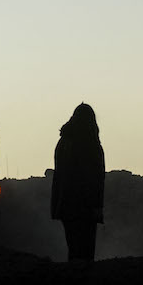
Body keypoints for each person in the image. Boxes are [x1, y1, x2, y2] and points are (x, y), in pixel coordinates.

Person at [50, 103, 105, 262]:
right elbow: (95, 178)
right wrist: (96, 206)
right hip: (85, 207)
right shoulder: (90, 143)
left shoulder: (63, 143)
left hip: (66, 206)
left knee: (74, 249)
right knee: (86, 252)